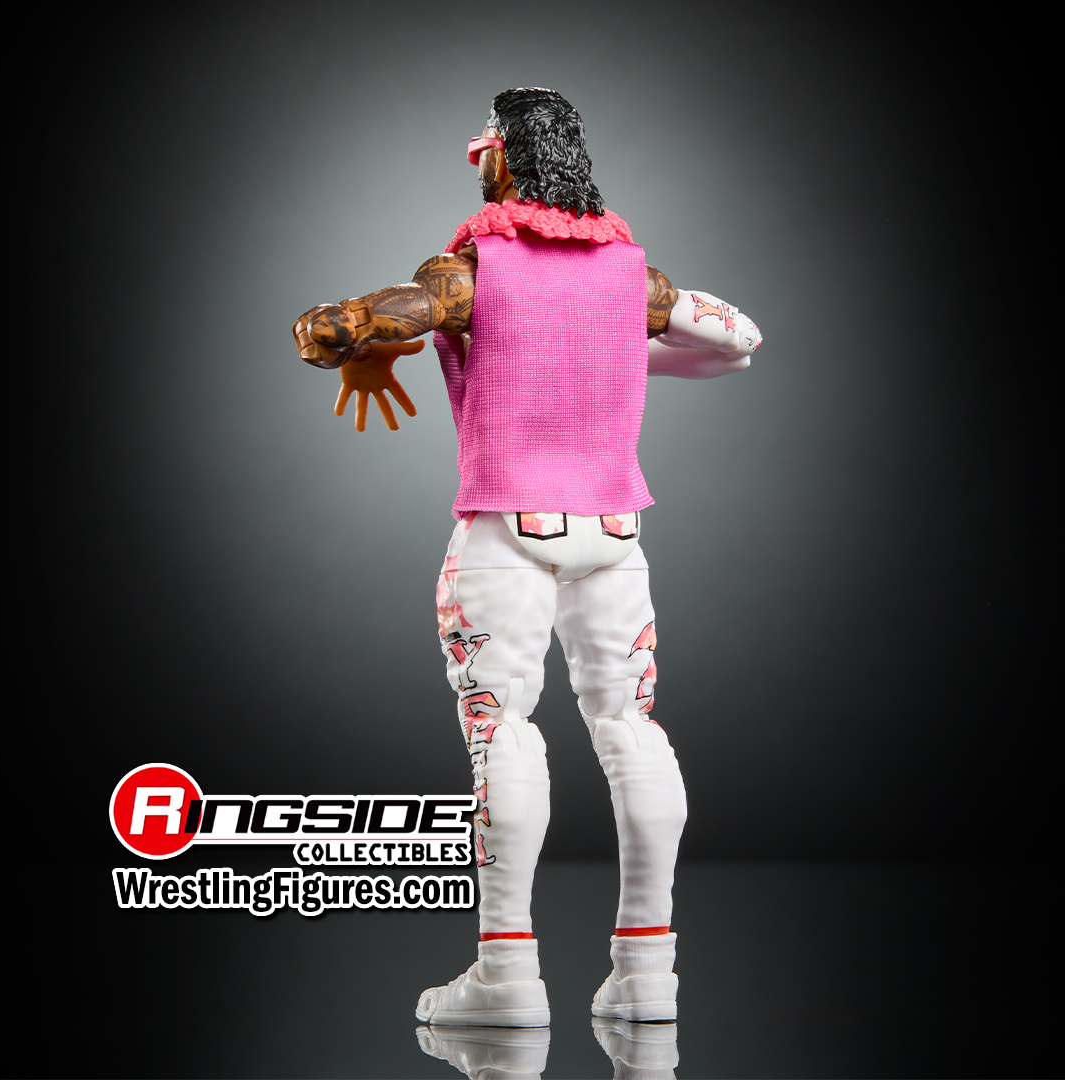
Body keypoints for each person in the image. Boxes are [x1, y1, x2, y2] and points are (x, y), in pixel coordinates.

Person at [292, 87, 762, 1027]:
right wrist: (609, 348)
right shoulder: (633, 277)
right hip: (615, 535)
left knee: (502, 733)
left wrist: (357, 349)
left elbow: (339, 327)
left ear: (502, 158)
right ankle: (649, 973)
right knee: (631, 729)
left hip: (506, 529)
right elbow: (738, 343)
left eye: (482, 154)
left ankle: (506, 976)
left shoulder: (470, 272)